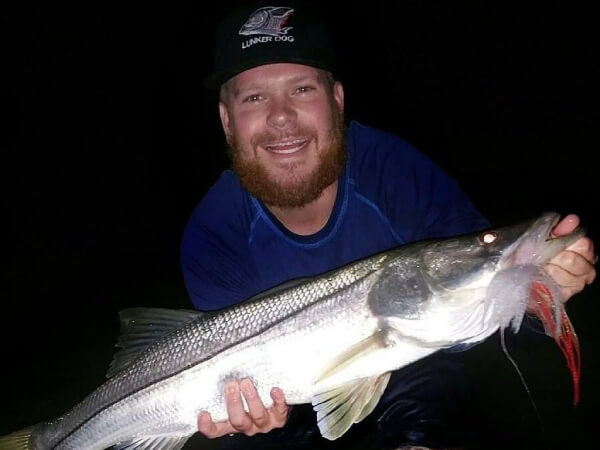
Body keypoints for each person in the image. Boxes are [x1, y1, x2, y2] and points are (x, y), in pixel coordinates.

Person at [180, 1, 597, 448]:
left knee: (437, 369)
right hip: (285, 409)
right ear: (227, 122)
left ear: (337, 101)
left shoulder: (401, 175)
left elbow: (481, 307)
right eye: (255, 97)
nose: (281, 116)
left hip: (411, 384)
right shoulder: (213, 233)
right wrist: (244, 418)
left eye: (302, 89)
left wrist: (539, 293)